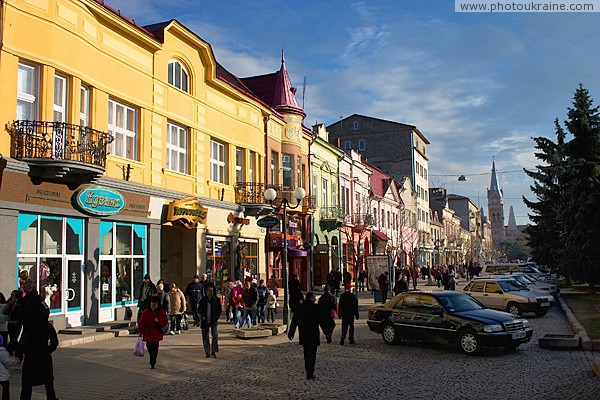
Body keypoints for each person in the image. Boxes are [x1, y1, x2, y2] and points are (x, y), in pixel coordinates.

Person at [20, 320, 58, 400]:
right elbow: (54, 342)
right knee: (48, 383)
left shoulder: (29, 326)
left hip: (30, 357)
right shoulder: (47, 326)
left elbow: (23, 342)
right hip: (44, 357)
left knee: (27, 384)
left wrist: (22, 352)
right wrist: (48, 350)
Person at [288, 292, 320, 380]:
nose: (315, 299)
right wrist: (327, 332)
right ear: (311, 298)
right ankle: (311, 371)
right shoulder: (315, 308)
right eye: (314, 298)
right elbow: (321, 320)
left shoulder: (300, 308)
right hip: (313, 334)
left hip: (304, 333)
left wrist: (291, 333)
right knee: (312, 354)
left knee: (306, 353)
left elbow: (294, 321)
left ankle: (308, 370)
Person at [137, 296, 168, 369]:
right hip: (147, 332)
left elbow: (165, 322)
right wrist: (140, 331)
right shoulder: (146, 312)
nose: (153, 304)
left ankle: (152, 362)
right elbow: (142, 322)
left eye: (155, 303)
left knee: (154, 348)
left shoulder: (161, 312)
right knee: (149, 347)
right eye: (152, 302)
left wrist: (158, 321)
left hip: (156, 332)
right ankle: (152, 358)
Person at [198, 284, 221, 358]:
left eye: (212, 290)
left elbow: (219, 310)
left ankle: (213, 351)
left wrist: (216, 318)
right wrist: (201, 316)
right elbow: (199, 309)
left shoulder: (216, 300)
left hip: (213, 321)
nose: (211, 292)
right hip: (205, 321)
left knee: (215, 335)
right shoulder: (203, 300)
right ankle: (207, 351)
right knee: (205, 337)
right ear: (206, 291)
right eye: (210, 290)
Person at [1, 335, 20, 400]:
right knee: (5, 387)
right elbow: (9, 362)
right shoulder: (2, 352)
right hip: (1, 375)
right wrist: (18, 360)